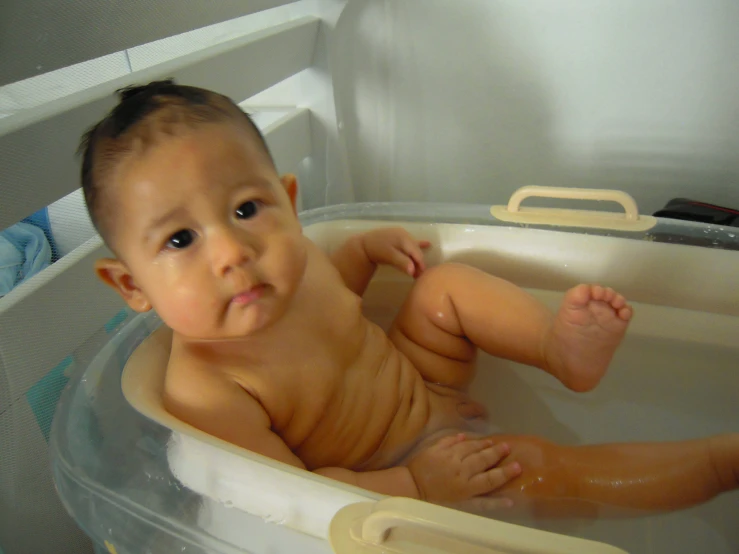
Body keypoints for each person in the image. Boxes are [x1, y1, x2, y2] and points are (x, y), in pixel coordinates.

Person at [80, 79, 738, 514]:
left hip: (421, 380)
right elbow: (290, 495)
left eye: (248, 207)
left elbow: (336, 301)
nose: (232, 252)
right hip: (401, 467)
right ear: (131, 285)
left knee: (443, 290)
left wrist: (361, 255)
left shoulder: (294, 261)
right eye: (179, 240)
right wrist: (416, 486)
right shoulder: (205, 388)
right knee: (534, 469)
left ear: (287, 199)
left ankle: (556, 348)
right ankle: (714, 463)